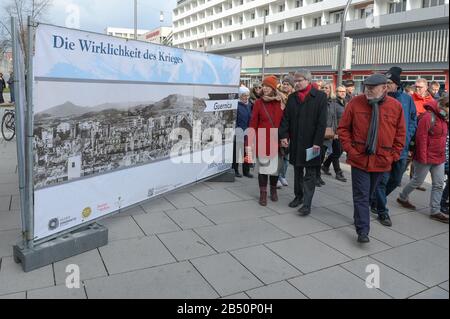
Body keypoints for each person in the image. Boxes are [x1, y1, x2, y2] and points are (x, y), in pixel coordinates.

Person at [338, 74, 406, 243]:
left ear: (384, 88)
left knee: (368, 195)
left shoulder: (395, 107)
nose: (367, 90)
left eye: (372, 87)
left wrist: (393, 155)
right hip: (359, 158)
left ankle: (359, 217)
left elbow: (401, 134)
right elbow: (343, 129)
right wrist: (350, 151)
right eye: (366, 87)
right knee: (361, 194)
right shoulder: (355, 102)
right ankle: (363, 230)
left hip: (382, 159)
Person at [370, 67, 417, 227]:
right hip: (383, 150)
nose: (387, 85)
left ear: (397, 84)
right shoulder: (378, 99)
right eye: (385, 82)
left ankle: (375, 199)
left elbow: (412, 121)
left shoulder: (407, 99)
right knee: (381, 181)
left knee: (396, 179)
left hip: (401, 149)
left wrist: (407, 137)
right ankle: (382, 211)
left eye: (390, 83)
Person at [279, 69, 328, 216]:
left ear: (308, 81)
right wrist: (283, 136)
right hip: (296, 143)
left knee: (310, 173)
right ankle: (298, 196)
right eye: (296, 81)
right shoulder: (293, 97)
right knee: (298, 171)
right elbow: (286, 119)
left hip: (312, 143)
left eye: (299, 80)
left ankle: (307, 203)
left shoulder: (320, 97)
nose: (297, 83)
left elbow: (322, 122)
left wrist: (317, 143)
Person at [397, 96, 449, 224]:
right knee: (417, 181)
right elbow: (421, 139)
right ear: (443, 105)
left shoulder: (443, 118)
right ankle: (402, 197)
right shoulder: (428, 117)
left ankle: (435, 211)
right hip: (425, 157)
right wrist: (423, 158)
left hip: (439, 157)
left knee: (438, 184)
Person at [249, 75, 284, 206]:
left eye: (268, 86)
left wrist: (286, 137)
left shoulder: (280, 102)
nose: (265, 88)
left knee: (275, 169)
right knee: (263, 169)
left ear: (273, 88)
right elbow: (253, 123)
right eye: (264, 86)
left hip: (277, 138)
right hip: (262, 138)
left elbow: (285, 121)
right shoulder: (258, 103)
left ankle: (273, 190)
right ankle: (263, 194)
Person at [321, 84, 347, 182]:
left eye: (344, 91)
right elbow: (334, 118)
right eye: (340, 91)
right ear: (335, 92)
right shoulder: (334, 102)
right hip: (336, 132)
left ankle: (326, 165)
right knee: (337, 152)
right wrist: (336, 132)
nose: (342, 93)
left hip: (343, 131)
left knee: (338, 151)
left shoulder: (344, 102)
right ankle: (338, 172)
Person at [277, 75, 295, 188]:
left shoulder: (293, 98)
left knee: (286, 156)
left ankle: (282, 176)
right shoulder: (278, 97)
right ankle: (277, 177)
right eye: (284, 83)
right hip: (279, 129)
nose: (285, 85)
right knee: (279, 155)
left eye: (288, 84)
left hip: (290, 130)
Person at [233, 86, 253, 178]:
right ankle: (235, 170)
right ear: (240, 96)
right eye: (244, 95)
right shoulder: (236, 105)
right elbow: (234, 120)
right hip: (239, 132)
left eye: (247, 95)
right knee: (237, 152)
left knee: (247, 152)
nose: (246, 97)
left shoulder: (249, 105)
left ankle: (246, 171)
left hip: (248, 132)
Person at [440, 130, 449, 215]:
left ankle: (443, 202)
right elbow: (446, 148)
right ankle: (442, 203)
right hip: (446, 161)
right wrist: (446, 163)